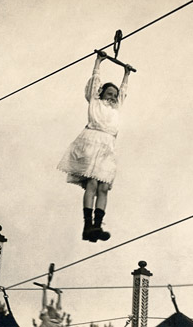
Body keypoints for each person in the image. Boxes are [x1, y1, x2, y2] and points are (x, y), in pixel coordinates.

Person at [57, 51, 132, 242]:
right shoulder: (95, 102)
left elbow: (123, 93)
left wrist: (126, 74)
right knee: (91, 183)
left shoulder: (116, 107)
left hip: (107, 146)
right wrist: (98, 62)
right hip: (92, 141)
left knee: (104, 187)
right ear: (101, 93)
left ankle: (97, 226)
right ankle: (87, 225)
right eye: (109, 93)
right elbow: (95, 83)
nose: (113, 97)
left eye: (114, 95)